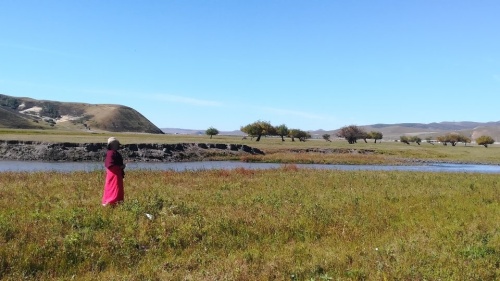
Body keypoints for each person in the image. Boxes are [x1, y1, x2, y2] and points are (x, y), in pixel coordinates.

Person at [102, 137, 126, 206]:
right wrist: (120, 167)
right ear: (112, 144)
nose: (118, 145)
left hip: (116, 174)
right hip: (114, 174)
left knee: (116, 188)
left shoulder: (113, 153)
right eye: (116, 144)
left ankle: (117, 202)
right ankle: (112, 202)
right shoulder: (111, 153)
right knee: (114, 188)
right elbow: (110, 166)